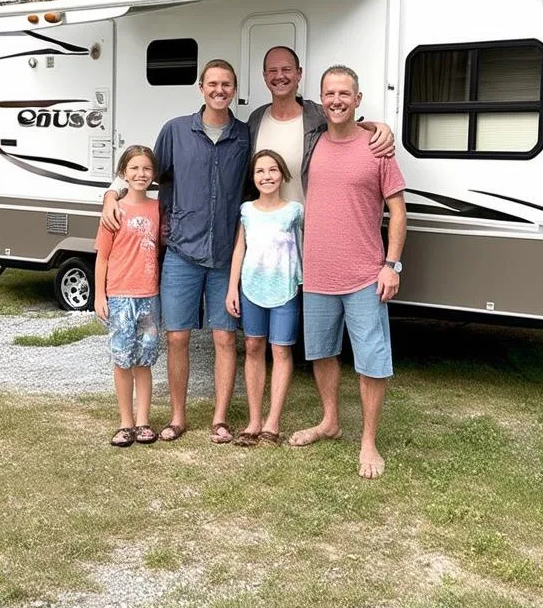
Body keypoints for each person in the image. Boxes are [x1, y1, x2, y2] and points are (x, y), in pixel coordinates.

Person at [101, 59, 250, 444]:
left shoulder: (244, 136)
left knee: (223, 339)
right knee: (177, 338)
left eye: (227, 84)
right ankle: (178, 417)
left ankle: (219, 420)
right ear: (201, 88)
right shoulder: (175, 131)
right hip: (182, 252)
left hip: (222, 255)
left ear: (234, 89)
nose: (220, 90)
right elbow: (144, 172)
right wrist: (109, 194)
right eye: (212, 83)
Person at [290, 65, 407, 479]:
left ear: (358, 99)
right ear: (321, 101)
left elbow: (398, 211)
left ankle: (369, 441)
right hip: (318, 272)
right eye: (329, 94)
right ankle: (330, 421)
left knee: (371, 360)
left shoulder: (378, 148)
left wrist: (391, 265)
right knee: (321, 352)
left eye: (344, 93)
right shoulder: (313, 143)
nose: (336, 100)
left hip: (364, 274)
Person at [225, 149, 304, 447]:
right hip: (252, 289)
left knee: (281, 351)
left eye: (272, 170)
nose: (267, 176)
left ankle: (273, 422)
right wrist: (233, 288)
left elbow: (303, 245)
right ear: (253, 177)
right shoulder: (247, 210)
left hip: (284, 288)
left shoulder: (294, 210)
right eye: (260, 171)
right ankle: (254, 420)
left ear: (282, 175)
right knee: (253, 346)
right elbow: (239, 250)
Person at [247, 45, 395, 203]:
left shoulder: (318, 116)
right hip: (267, 223)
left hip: (310, 223)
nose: (280, 76)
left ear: (299, 73)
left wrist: (376, 127)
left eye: (286, 69)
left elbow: (348, 127)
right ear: (265, 76)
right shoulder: (256, 118)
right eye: (273, 70)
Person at [94, 145, 162, 448]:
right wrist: (100, 295)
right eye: (134, 168)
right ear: (123, 173)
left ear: (153, 174)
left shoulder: (157, 208)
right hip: (120, 295)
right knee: (122, 360)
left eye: (146, 168)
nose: (141, 174)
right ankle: (125, 422)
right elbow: (103, 258)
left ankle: (144, 420)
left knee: (144, 360)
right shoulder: (114, 210)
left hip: (149, 295)